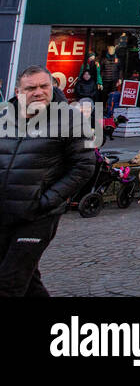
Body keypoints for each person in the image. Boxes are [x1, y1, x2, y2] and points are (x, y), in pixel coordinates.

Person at [0, 66, 95, 296]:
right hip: (4, 212)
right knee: (28, 280)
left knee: (9, 281)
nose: (38, 92)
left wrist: (46, 201)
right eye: (30, 88)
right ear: (18, 91)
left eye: (44, 86)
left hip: (38, 215)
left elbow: (84, 167)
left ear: (53, 87)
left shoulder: (70, 119)